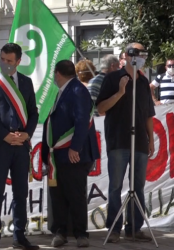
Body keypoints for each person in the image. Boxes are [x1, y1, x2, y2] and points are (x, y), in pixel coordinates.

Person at [0, 43, 39, 250]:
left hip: (20, 144)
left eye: (9, 61)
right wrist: (5, 135)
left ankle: (19, 235)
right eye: (2, 59)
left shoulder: (26, 82)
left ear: (18, 62)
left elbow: (33, 112)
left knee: (21, 192)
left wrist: (26, 134)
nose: (5, 64)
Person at [96, 42, 155, 242]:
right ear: (125, 56)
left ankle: (134, 227)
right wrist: (120, 93)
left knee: (137, 186)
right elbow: (101, 108)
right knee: (116, 186)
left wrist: (151, 139)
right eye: (134, 53)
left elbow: (149, 113)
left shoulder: (143, 82)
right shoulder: (113, 78)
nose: (138, 56)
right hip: (118, 139)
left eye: (142, 53)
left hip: (139, 140)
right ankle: (114, 227)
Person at [41, 60, 99, 248]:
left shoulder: (77, 90)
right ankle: (61, 231)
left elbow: (82, 120)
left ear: (57, 73)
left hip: (74, 154)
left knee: (75, 194)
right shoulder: (63, 91)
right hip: (58, 155)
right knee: (58, 195)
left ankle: (81, 233)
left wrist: (75, 147)